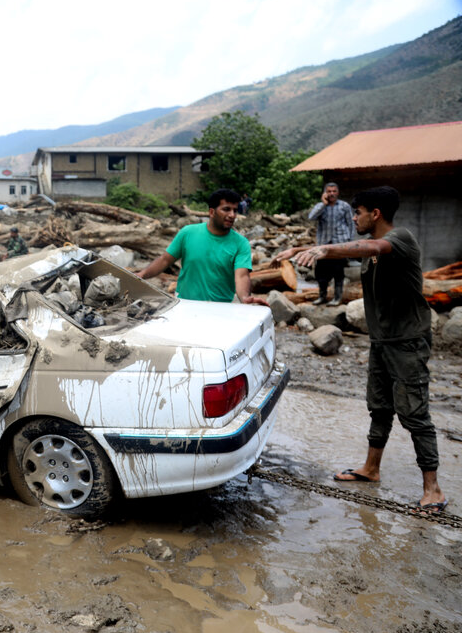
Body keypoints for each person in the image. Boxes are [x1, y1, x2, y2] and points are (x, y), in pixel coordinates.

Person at [273, 186, 445, 511]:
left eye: (358, 212)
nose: (354, 217)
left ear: (375, 214)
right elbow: (358, 249)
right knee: (379, 407)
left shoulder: (400, 239)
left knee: (414, 413)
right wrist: (302, 247)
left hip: (407, 342)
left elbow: (372, 245)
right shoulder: (373, 250)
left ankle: (433, 488)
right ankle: (371, 468)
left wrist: (324, 249)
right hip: (382, 341)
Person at [138, 188, 268, 305]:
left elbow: (241, 276)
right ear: (212, 212)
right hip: (184, 302)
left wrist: (245, 297)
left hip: (223, 307)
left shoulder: (241, 243)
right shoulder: (187, 233)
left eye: (235, 210)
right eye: (226, 209)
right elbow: (165, 260)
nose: (232, 215)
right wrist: (142, 275)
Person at [307, 182, 355, 305]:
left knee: (338, 272)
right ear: (325, 193)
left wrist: (349, 242)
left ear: (338, 192)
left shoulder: (344, 206)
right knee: (320, 272)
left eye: (334, 191)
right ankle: (322, 296)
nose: (332, 193)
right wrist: (323, 204)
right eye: (329, 191)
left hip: (340, 244)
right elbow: (311, 217)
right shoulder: (320, 206)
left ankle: (337, 298)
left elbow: (351, 224)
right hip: (323, 245)